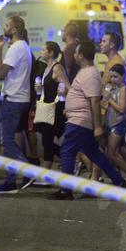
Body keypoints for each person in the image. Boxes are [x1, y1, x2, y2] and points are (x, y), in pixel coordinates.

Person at [53, 41, 126, 200]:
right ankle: (119, 181)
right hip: (79, 119)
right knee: (94, 153)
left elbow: (94, 100)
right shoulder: (86, 72)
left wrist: (98, 126)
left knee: (67, 151)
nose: (73, 56)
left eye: (76, 53)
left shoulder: (89, 74)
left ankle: (66, 190)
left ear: (80, 56)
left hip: (80, 121)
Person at [0, 15, 33, 194]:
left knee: (7, 141)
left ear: (15, 29)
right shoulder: (23, 47)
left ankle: (27, 171)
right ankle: (10, 181)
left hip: (14, 100)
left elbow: (0, 73)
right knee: (9, 140)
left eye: (7, 25)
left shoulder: (16, 48)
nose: (4, 28)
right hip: (20, 99)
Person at [34, 41, 69, 169]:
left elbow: (68, 88)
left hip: (55, 110)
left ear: (51, 52)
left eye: (43, 50)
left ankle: (68, 161)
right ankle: (47, 172)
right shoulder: (46, 67)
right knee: (46, 141)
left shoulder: (57, 68)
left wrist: (62, 94)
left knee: (48, 141)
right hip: (46, 108)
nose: (41, 52)